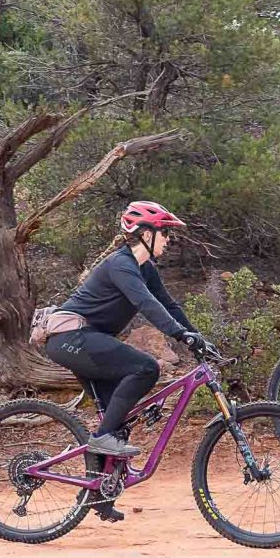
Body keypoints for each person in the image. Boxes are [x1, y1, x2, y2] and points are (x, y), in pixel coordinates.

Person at [42, 202, 206, 517]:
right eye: (165, 233)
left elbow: (168, 304)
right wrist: (179, 335)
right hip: (71, 338)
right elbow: (146, 303)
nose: (168, 240)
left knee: (115, 423)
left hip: (87, 342)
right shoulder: (120, 264)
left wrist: (197, 337)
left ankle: (98, 499)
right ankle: (102, 439)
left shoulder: (145, 268)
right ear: (145, 234)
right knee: (145, 368)